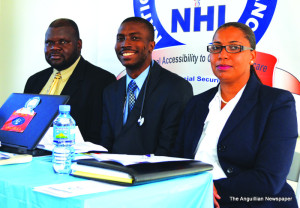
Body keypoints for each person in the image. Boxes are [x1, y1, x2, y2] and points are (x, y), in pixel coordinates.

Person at [173, 22, 298, 208]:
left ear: (252, 56)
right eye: (216, 48)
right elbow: (178, 159)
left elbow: (269, 179)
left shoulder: (277, 103)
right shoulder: (197, 103)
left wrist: (211, 188)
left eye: (234, 48)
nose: (222, 55)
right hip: (194, 198)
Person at [100, 17, 193, 155]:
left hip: (154, 174)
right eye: (120, 38)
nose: (125, 44)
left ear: (151, 45)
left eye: (134, 38)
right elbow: (105, 144)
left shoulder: (176, 88)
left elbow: (170, 148)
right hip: (113, 173)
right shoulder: (111, 91)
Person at [24, 18, 116, 145]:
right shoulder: (34, 81)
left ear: (78, 45)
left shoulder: (101, 81)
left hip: (73, 159)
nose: (54, 47)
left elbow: (101, 136)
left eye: (62, 42)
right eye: (49, 43)